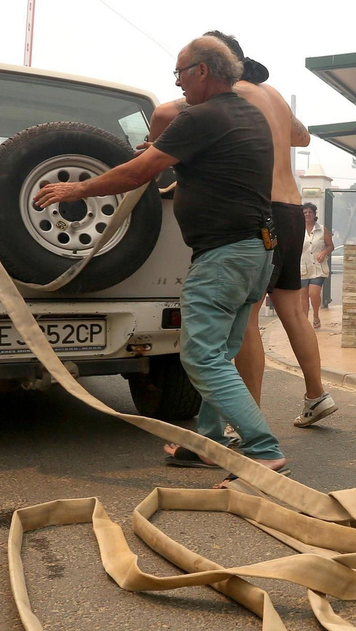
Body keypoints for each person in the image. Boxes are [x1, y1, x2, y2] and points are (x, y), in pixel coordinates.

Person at [33, 35, 287, 479]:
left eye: (180, 73)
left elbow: (138, 173)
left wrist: (77, 189)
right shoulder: (247, 113)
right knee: (219, 354)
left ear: (202, 71)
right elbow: (197, 163)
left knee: (202, 358)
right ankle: (206, 444)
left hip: (225, 254)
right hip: (256, 251)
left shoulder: (200, 117)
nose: (178, 83)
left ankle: (263, 449)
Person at [146, 31, 338, 430]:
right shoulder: (273, 95)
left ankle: (244, 417)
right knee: (293, 310)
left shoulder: (228, 99)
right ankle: (316, 394)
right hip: (290, 209)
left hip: (254, 211)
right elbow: (302, 136)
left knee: (245, 319)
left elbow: (166, 112)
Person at [298, 202, 333, 329]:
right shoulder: (297, 229)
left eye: (310, 212)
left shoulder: (322, 229)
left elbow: (330, 245)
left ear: (314, 214)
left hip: (318, 266)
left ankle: (316, 315)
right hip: (302, 267)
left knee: (314, 293)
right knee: (303, 296)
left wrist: (324, 252)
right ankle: (304, 322)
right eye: (305, 212)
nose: (307, 215)